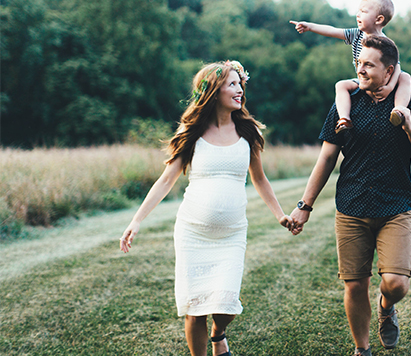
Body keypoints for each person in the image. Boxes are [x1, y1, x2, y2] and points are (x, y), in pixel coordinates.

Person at [119, 60, 293, 356]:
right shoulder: (192, 133)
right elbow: (165, 181)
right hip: (192, 233)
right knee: (195, 307)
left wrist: (280, 215)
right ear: (213, 91)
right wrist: (136, 220)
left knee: (227, 303)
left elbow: (260, 179)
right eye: (232, 84)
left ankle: (219, 333)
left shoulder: (249, 133)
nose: (240, 90)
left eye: (240, 83)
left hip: (231, 235)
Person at [289, 36, 411, 356]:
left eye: (369, 65)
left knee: (396, 284)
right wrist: (305, 205)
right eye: (359, 63)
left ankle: (387, 306)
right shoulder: (345, 105)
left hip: (395, 207)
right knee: (355, 284)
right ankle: (362, 349)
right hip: (351, 206)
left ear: (389, 72)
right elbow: (327, 159)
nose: (361, 69)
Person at [290, 0, 411, 133]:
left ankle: (398, 111)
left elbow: (396, 67)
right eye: (358, 11)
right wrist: (310, 26)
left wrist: (389, 87)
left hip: (383, 81)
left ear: (379, 19)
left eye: (363, 12)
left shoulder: (385, 43)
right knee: (341, 85)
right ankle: (344, 119)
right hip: (364, 80)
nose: (357, 15)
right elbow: (332, 30)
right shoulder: (356, 34)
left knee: (405, 77)